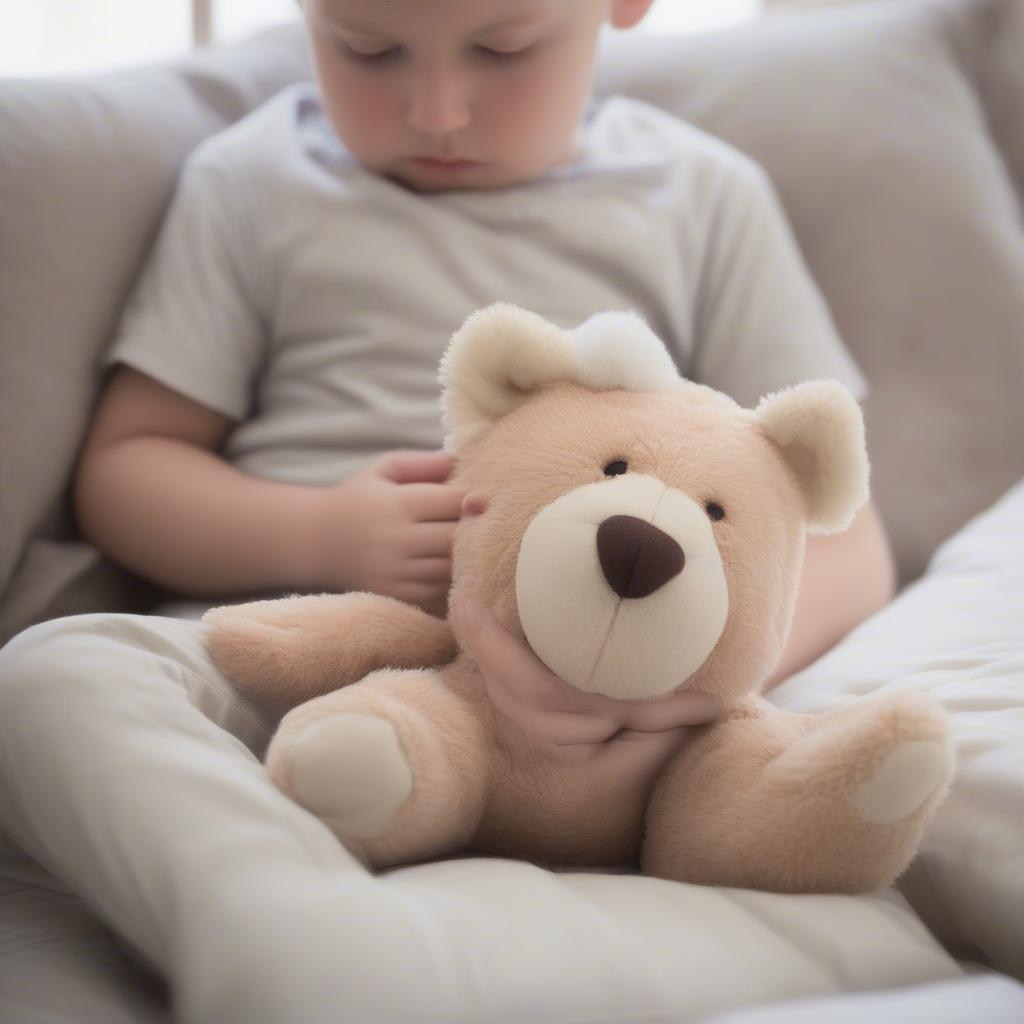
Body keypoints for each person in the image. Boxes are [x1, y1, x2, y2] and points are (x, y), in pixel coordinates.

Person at [0, 0, 895, 1015]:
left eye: (501, 48)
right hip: (295, 666)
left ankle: (308, 948)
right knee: (45, 675)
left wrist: (670, 684)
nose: (434, 110)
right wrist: (316, 531)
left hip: (609, 738)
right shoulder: (253, 181)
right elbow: (126, 470)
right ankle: (288, 940)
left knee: (800, 773)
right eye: (366, 48)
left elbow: (844, 538)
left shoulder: (700, 195)